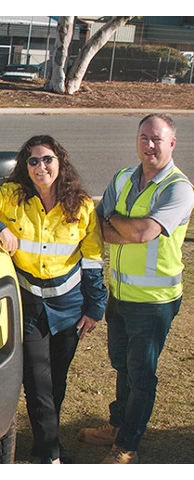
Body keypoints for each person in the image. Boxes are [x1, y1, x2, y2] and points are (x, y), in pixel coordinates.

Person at [0, 135, 107, 464]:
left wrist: (95, 307)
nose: (41, 167)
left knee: (57, 381)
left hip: (69, 307)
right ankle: (51, 456)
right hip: (30, 307)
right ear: (25, 167)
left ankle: (43, 444)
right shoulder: (11, 196)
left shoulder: (81, 205)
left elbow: (92, 259)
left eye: (47, 159)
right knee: (38, 382)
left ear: (60, 162)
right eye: (33, 161)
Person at [77, 113, 194, 464]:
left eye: (157, 139)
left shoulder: (178, 188)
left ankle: (127, 446)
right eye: (144, 137)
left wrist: (115, 219)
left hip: (154, 302)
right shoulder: (123, 178)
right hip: (120, 294)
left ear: (172, 143)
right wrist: (124, 227)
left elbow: (144, 233)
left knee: (141, 374)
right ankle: (117, 426)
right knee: (122, 365)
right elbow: (98, 227)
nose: (149, 145)